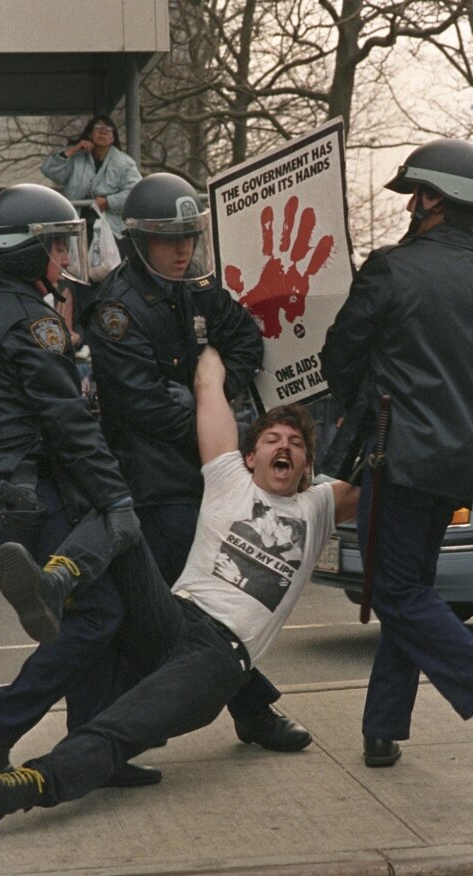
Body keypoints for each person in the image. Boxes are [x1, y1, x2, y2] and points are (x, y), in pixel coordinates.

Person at [0, 345, 360, 840]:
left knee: (118, 729)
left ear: (306, 466)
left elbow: (376, 478)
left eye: (296, 444)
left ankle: (10, 791)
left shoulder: (315, 509)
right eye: (272, 438)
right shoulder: (229, 476)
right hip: (169, 616)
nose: (284, 447)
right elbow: (208, 382)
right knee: (120, 514)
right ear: (251, 455)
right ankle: (56, 579)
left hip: (217, 660)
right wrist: (215, 327)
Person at [319, 138, 473, 769]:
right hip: (460, 465)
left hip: (398, 455)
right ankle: (382, 728)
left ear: (433, 199)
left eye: (415, 196)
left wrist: (361, 400)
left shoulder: (391, 267)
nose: (410, 208)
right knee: (413, 590)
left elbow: (339, 353)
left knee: (395, 593)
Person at [0, 183, 159, 789]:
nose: (64, 259)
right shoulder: (33, 322)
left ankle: (95, 748)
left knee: (91, 608)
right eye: (56, 246)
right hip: (18, 493)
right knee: (97, 613)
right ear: (29, 252)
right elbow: (68, 424)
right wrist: (116, 500)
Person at [85, 172, 312, 752]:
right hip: (155, 480)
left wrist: (215, 387)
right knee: (199, 605)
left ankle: (133, 725)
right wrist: (208, 413)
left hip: (201, 472)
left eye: (189, 236)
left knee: (195, 608)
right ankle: (242, 711)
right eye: (168, 239)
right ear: (140, 241)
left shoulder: (197, 289)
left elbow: (244, 340)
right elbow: (142, 405)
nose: (183, 248)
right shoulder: (117, 308)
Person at [41, 115, 141, 244]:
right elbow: (48, 170)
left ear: (113, 138)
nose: (103, 132)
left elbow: (135, 192)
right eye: (98, 128)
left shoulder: (125, 163)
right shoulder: (77, 159)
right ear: (89, 134)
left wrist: (108, 201)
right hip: (75, 226)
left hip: (110, 229)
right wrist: (73, 150)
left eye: (108, 129)